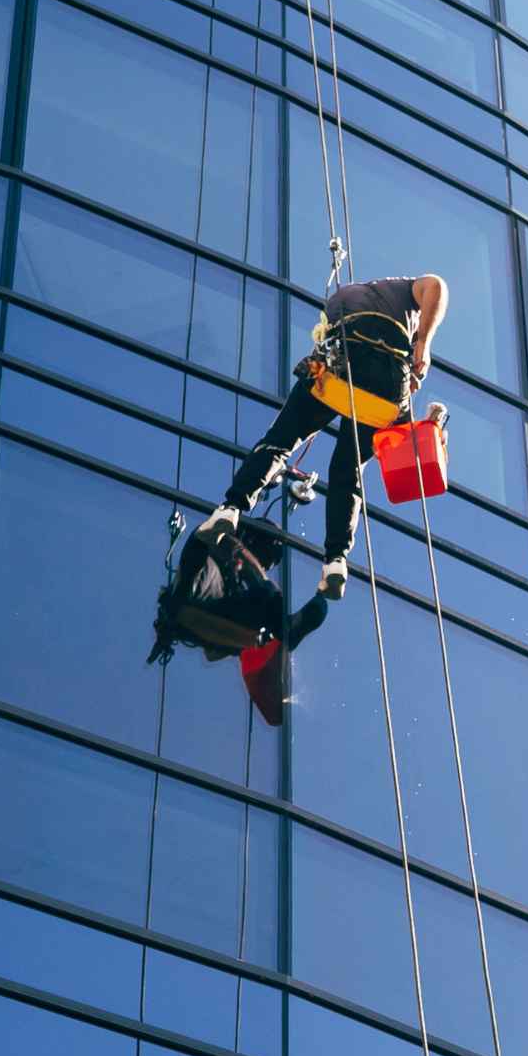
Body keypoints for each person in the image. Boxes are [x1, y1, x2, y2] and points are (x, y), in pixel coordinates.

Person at [202, 272, 449, 601]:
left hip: (332, 369)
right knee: (348, 472)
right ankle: (335, 560)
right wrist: (422, 347)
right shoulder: (405, 291)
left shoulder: (343, 300)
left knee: (280, 441)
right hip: (383, 383)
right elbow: (437, 286)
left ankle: (230, 509)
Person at [149, 515, 331, 724]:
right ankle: (283, 627)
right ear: (250, 539)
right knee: (265, 598)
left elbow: (212, 653)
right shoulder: (213, 542)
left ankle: (278, 636)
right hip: (192, 595)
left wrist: (253, 641)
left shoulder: (231, 588)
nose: (267, 564)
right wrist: (265, 588)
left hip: (193, 618)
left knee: (254, 627)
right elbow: (232, 547)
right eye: (268, 556)